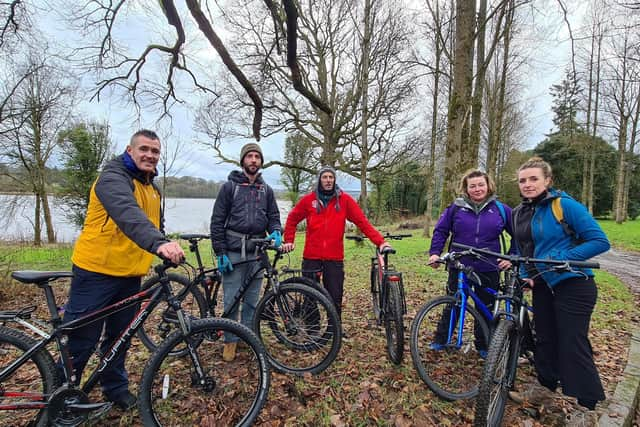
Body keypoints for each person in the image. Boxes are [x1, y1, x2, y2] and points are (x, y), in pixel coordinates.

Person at [64, 129, 185, 410]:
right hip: (97, 271)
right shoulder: (113, 178)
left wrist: (164, 243)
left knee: (120, 337)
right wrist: (158, 244)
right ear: (129, 150)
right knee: (82, 339)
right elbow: (128, 215)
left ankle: (114, 388)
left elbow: (154, 226)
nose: (150, 155)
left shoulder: (151, 188)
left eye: (155, 151)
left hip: (129, 275)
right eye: (144, 149)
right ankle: (61, 396)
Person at [503, 157, 609, 425]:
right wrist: (527, 275)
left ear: (547, 181)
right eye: (523, 180)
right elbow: (524, 249)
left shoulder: (564, 206)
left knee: (572, 341)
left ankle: (587, 405)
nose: (527, 184)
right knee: (545, 338)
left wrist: (565, 257)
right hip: (542, 285)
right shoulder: (519, 213)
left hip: (574, 283)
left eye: (533, 179)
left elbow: (599, 240)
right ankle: (544, 387)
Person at [281, 166, 391, 333]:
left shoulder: (344, 200)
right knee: (310, 294)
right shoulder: (309, 200)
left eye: (330, 177)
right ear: (319, 180)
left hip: (334, 257)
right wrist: (289, 240)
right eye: (324, 177)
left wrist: (380, 242)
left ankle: (334, 329)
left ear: (334, 180)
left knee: (335, 295)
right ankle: (312, 328)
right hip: (312, 256)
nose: (328, 180)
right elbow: (292, 218)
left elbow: (362, 222)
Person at [428, 169, 513, 357]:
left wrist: (510, 256)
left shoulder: (501, 209)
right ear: (466, 188)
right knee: (454, 301)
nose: (477, 189)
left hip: (488, 265)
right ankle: (441, 339)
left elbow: (520, 235)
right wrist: (435, 253)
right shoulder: (455, 208)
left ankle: (483, 345)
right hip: (459, 265)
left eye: (481, 185)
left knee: (485, 306)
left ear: (488, 185)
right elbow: (441, 231)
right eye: (472, 186)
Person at [210, 142, 282, 362]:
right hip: (233, 251)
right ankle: (230, 342)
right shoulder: (229, 188)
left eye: (257, 157)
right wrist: (220, 251)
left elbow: (273, 217)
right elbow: (217, 221)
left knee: (252, 300)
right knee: (232, 298)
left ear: (261, 162)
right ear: (243, 161)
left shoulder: (266, 190)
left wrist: (277, 231)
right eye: (249, 156)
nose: (253, 160)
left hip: (258, 253)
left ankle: (248, 338)